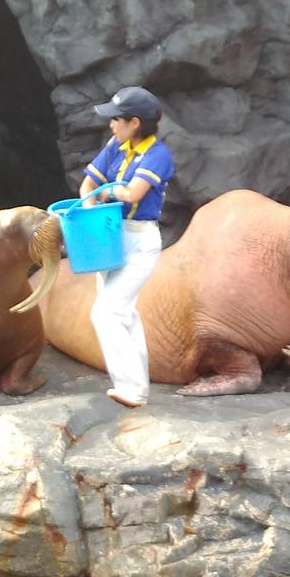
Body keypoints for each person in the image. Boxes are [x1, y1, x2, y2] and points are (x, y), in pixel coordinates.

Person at [79, 85, 175, 408]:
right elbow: (88, 184)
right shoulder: (115, 147)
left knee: (107, 311)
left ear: (134, 122)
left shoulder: (158, 154)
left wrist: (106, 192)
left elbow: (133, 193)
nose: (111, 125)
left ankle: (131, 389)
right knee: (125, 313)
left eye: (116, 120)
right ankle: (139, 387)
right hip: (110, 233)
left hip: (140, 240)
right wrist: (92, 206)